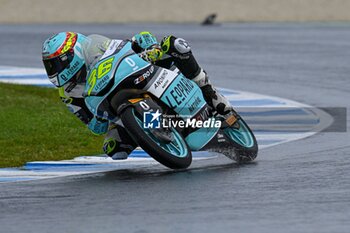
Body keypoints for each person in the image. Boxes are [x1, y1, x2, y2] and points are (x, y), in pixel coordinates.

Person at [42, 31, 233, 160]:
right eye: (50, 65)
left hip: (144, 74)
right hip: (118, 110)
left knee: (174, 44)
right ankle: (154, 132)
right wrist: (100, 117)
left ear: (74, 54)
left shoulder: (98, 49)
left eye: (57, 63)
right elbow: (96, 127)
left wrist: (147, 48)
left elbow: (130, 45)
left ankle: (211, 93)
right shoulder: (68, 93)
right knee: (113, 149)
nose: (54, 70)